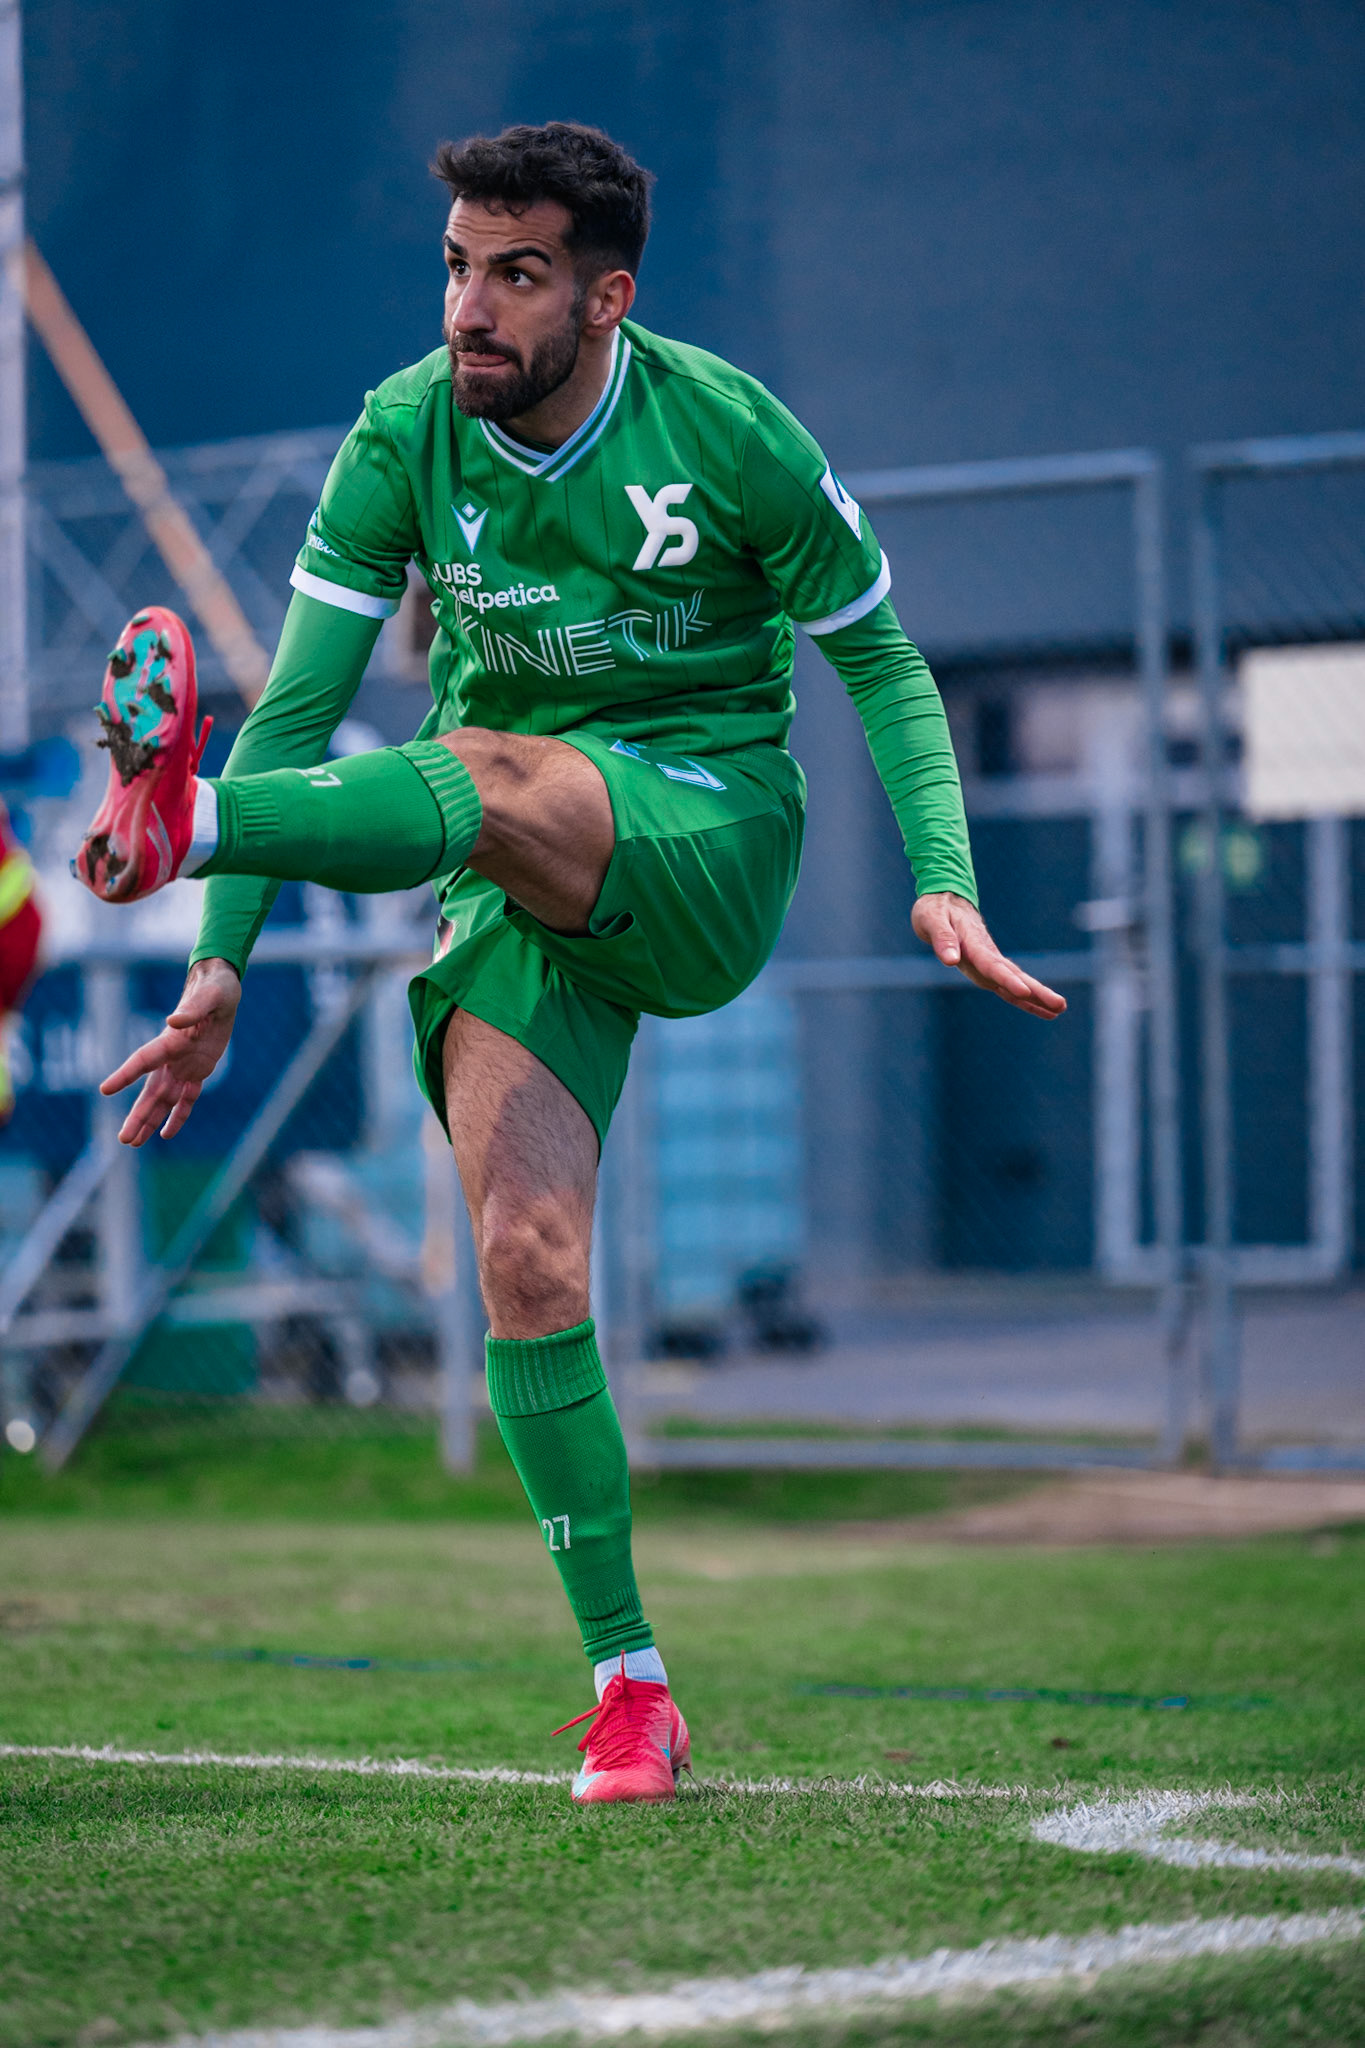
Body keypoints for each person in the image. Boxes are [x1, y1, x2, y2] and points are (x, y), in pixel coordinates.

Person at [75, 121, 1065, 1804]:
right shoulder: (403, 432)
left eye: (515, 274)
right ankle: (631, 1687)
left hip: (701, 832)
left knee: (488, 766)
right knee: (525, 1258)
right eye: (457, 265)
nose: (470, 305)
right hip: (514, 871)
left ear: (605, 295)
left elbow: (885, 665)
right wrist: (219, 976)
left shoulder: (725, 428)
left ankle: (185, 832)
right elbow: (304, 713)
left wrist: (946, 880)